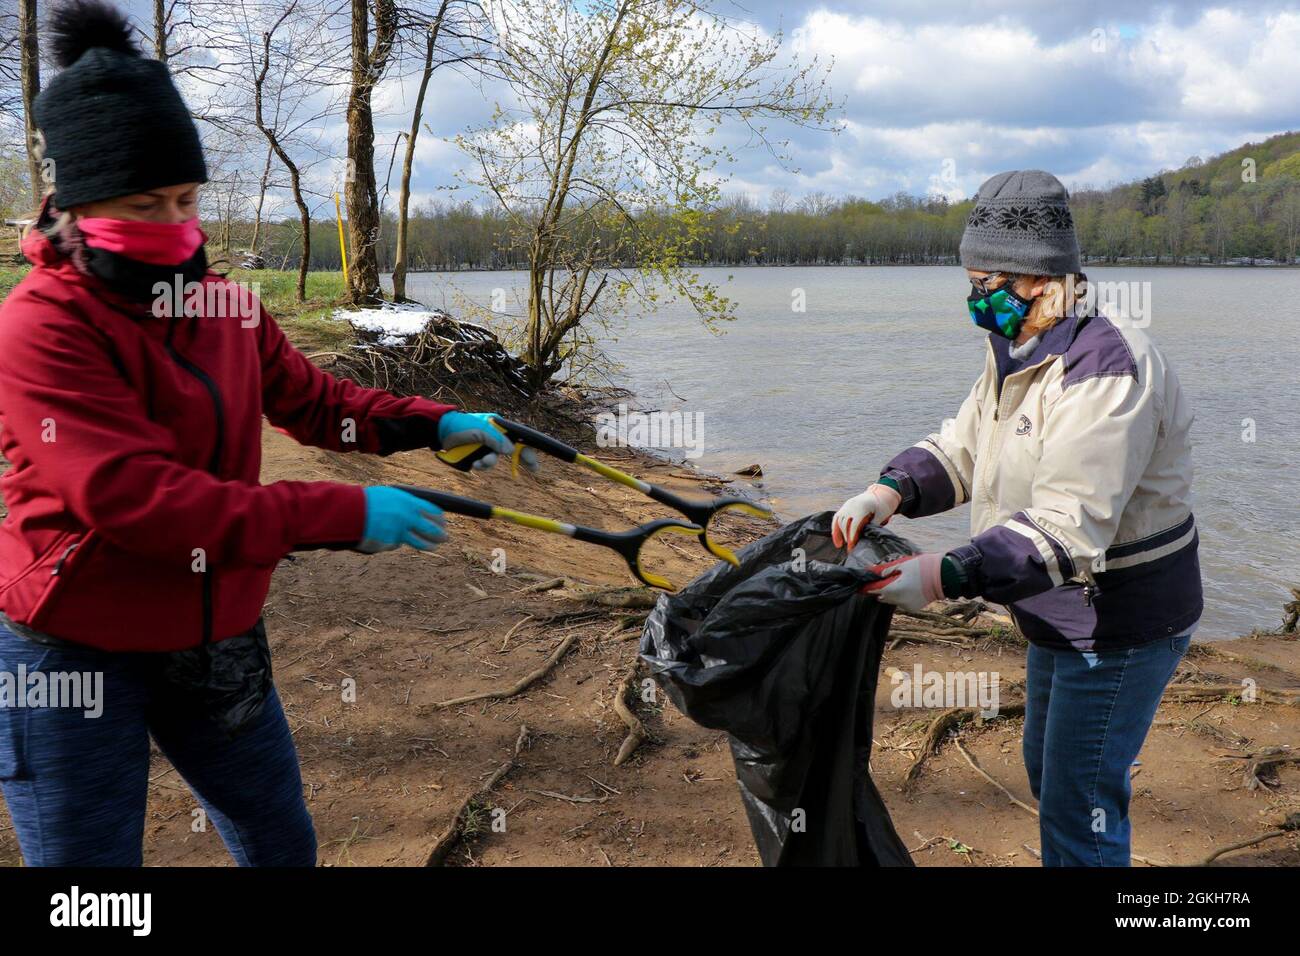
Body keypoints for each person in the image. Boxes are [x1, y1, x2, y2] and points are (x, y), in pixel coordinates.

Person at [0, 0, 533, 866]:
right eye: (143, 204)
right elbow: (137, 501)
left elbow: (320, 406)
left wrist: (439, 422)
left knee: (280, 844)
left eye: (185, 198)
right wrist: (343, 515)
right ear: (75, 207)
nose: (174, 227)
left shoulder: (223, 307)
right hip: (73, 645)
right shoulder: (41, 326)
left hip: (216, 632)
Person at [832, 170, 1201, 867]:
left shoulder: (1106, 370)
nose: (975, 299)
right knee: (1048, 768)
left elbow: (1069, 525)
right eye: (970, 282)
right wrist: (889, 491)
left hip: (1119, 620)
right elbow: (967, 445)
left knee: (1079, 804)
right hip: (1053, 609)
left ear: (1038, 279)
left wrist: (948, 573)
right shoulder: (1019, 350)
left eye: (985, 283)